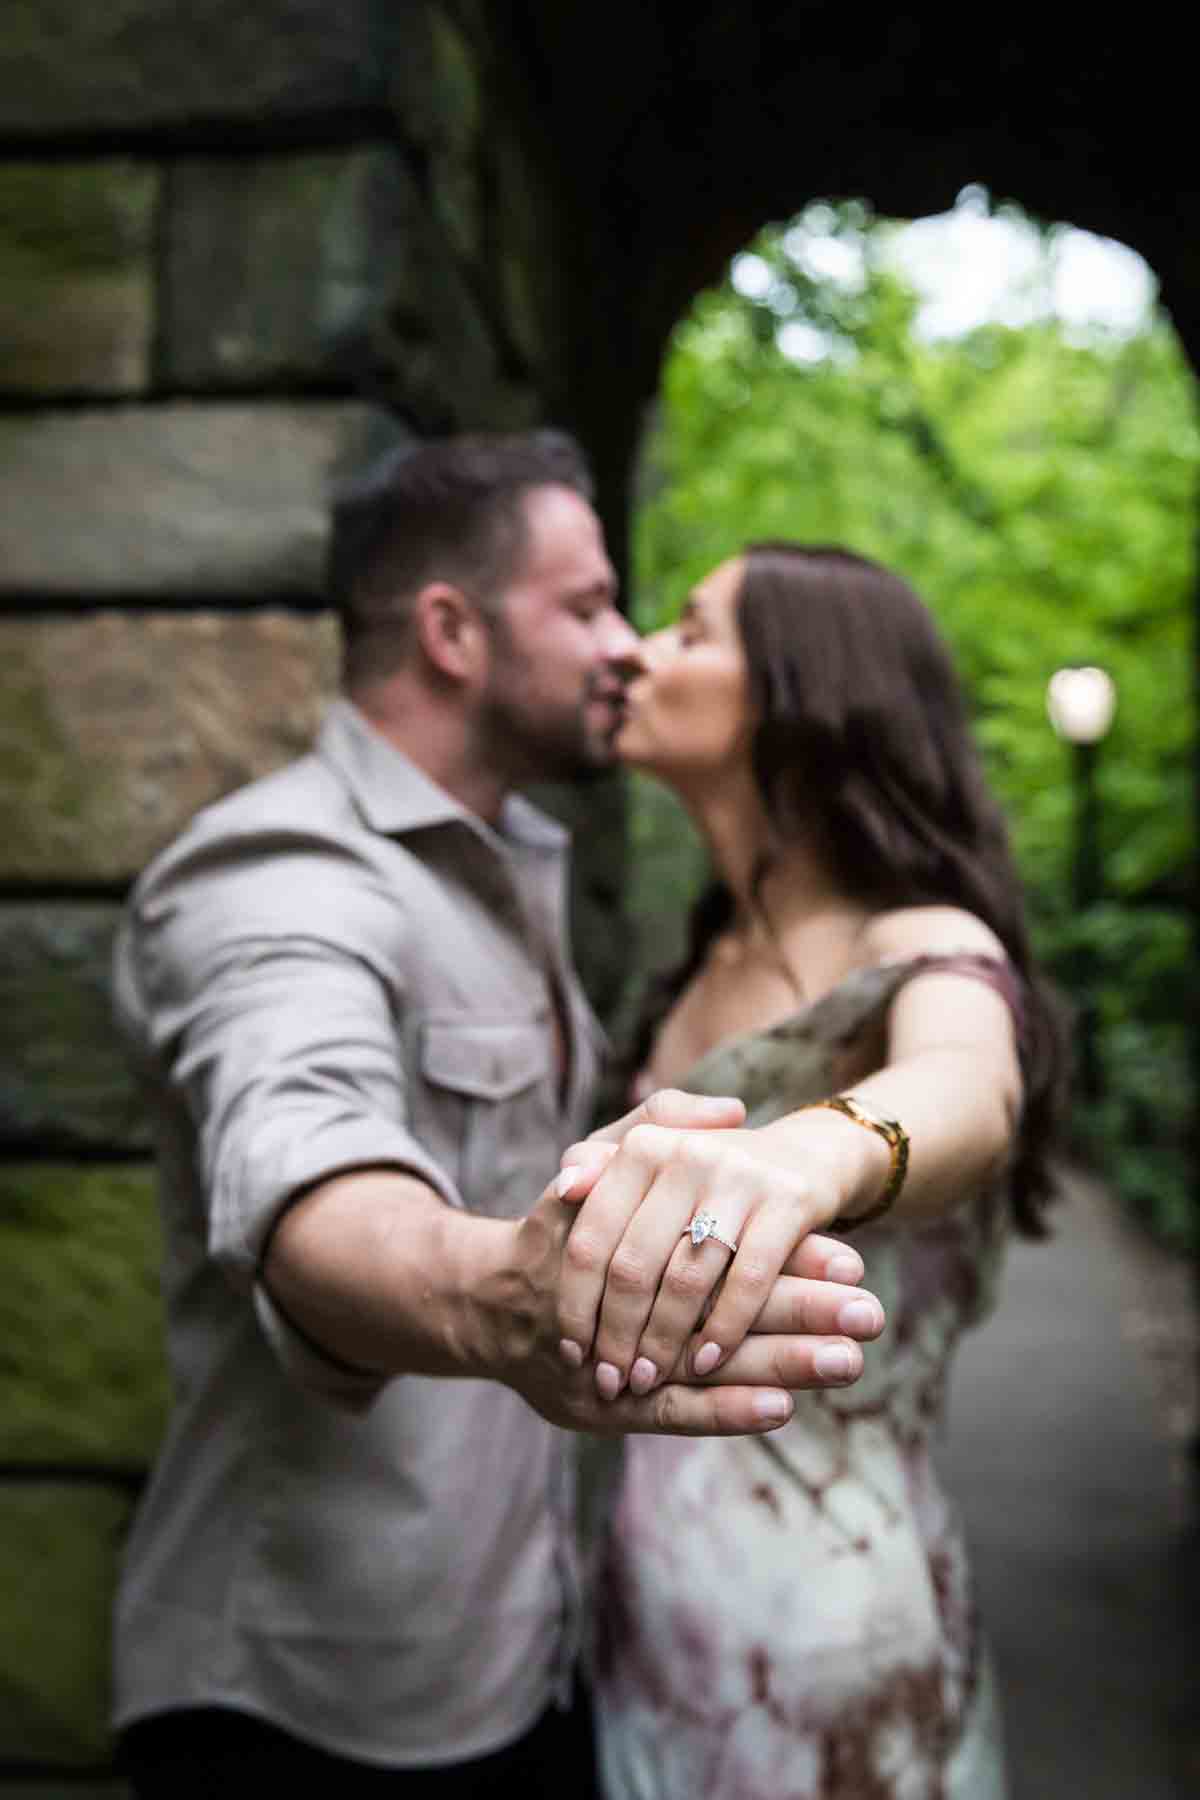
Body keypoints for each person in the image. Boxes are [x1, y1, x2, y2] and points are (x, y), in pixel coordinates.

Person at [109, 440, 885, 1796]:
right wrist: (494, 1300)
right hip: (321, 1703)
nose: (624, 644)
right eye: (583, 605)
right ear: (452, 633)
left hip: (529, 1656)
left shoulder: (508, 864)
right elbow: (305, 1161)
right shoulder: (278, 873)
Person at [550, 544, 1068, 1799]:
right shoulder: (694, 964)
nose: (640, 653)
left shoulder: (924, 938)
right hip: (630, 1621)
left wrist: (807, 1154)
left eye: (690, 630)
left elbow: (967, 1087)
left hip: (829, 1638)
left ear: (798, 689)